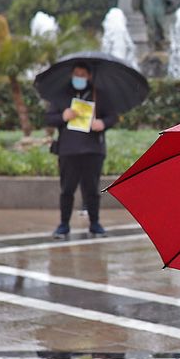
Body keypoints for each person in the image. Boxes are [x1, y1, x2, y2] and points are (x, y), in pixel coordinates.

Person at [48, 65, 120, 238]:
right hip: (68, 150)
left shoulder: (99, 94)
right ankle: (64, 224)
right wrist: (62, 117)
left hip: (93, 150)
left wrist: (102, 124)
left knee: (92, 190)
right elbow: (49, 118)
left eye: (82, 74)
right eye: (75, 74)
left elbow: (113, 116)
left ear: (89, 76)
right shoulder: (61, 95)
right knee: (67, 189)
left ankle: (95, 223)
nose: (78, 77)